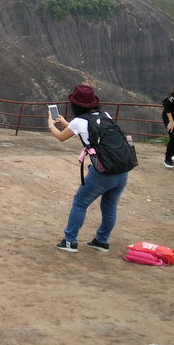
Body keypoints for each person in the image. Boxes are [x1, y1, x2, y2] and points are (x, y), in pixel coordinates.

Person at [49, 85, 128, 253]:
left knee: (80, 203)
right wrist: (66, 123)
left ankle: (70, 241)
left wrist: (51, 124)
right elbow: (88, 130)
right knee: (109, 206)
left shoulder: (78, 122)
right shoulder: (105, 115)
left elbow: (61, 137)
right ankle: (102, 241)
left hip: (102, 173)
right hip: (121, 170)